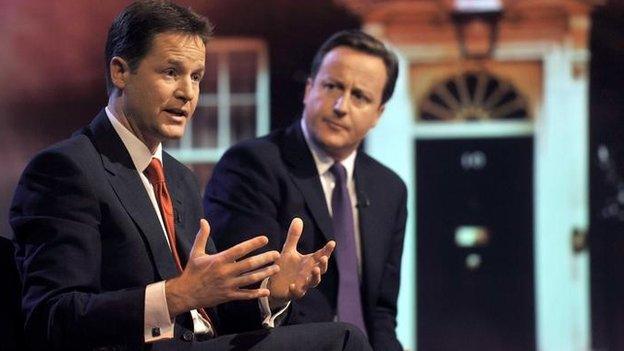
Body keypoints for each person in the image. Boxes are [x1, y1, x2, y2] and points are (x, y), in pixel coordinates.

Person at [9, 2, 371, 350]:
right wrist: (176, 295)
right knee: (342, 341)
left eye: (196, 77)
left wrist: (270, 296)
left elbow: (209, 311)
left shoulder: (178, 178)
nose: (187, 93)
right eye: (171, 72)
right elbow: (50, 319)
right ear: (121, 71)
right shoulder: (66, 169)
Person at [203, 30, 407, 350]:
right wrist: (278, 291)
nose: (341, 106)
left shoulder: (390, 189)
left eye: (360, 97)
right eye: (332, 86)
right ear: (309, 88)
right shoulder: (252, 165)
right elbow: (237, 297)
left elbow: (381, 312)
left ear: (378, 114)